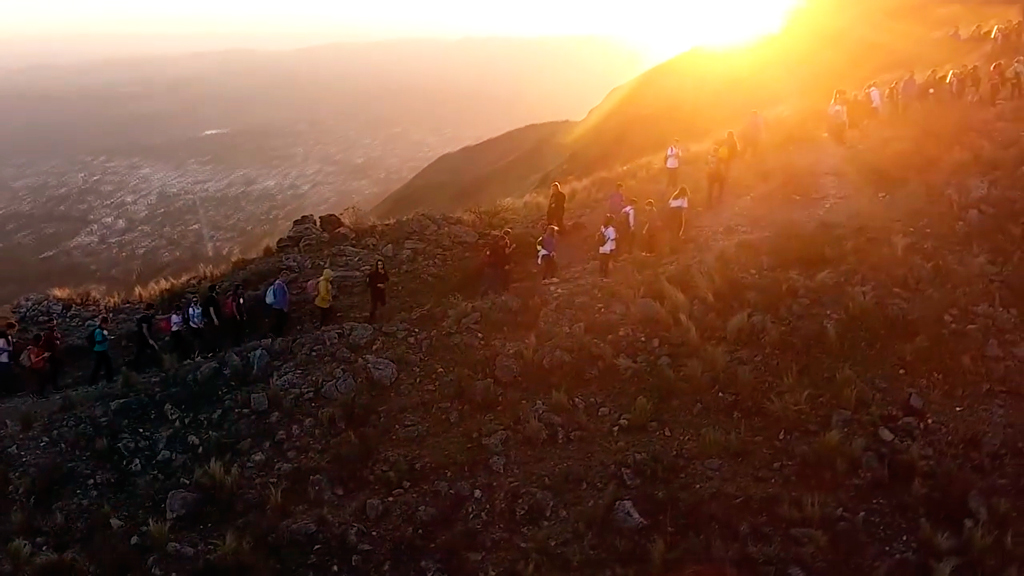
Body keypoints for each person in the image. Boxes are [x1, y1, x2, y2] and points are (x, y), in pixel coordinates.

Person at [89, 316, 115, 386]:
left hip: (101, 350)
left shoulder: (101, 330)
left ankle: (93, 382)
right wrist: (106, 339)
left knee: (100, 366)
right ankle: (108, 379)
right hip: (100, 350)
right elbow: (98, 341)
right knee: (104, 365)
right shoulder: (99, 331)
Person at [134, 303, 160, 370]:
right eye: (153, 309)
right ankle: (139, 367)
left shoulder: (149, 315)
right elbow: (144, 329)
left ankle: (143, 367)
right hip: (142, 338)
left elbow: (157, 317)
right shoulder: (145, 317)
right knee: (141, 352)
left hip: (143, 337)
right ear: (150, 309)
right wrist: (149, 339)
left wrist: (169, 315)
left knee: (141, 352)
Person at [40, 318, 63, 391]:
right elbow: (52, 343)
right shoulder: (48, 334)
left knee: (54, 371)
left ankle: (54, 387)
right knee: (52, 372)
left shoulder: (53, 332)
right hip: (51, 354)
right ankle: (53, 387)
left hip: (54, 354)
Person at [266, 271, 291, 338]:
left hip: (277, 307)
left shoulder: (279, 284)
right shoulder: (279, 285)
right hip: (279, 307)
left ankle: (275, 336)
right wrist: (284, 307)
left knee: (277, 322)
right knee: (279, 322)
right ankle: (275, 336)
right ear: (281, 276)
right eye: (285, 277)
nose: (286, 279)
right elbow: (280, 297)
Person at [202, 285, 222, 353]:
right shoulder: (211, 298)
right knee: (214, 334)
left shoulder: (213, 297)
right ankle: (214, 350)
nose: (218, 290)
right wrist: (215, 319)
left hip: (214, 319)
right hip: (212, 320)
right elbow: (211, 309)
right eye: (217, 288)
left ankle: (216, 349)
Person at [597, 214, 617, 279]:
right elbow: (613, 238)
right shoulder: (611, 229)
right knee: (606, 263)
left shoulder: (602, 227)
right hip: (608, 247)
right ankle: (605, 276)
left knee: (601, 262)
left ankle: (600, 275)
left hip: (602, 247)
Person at [0, 325, 13, 396]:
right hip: (7, 360)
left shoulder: (1, 341)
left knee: (1, 378)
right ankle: (7, 390)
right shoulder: (8, 339)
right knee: (6, 377)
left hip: (1, 360)